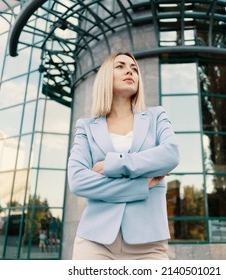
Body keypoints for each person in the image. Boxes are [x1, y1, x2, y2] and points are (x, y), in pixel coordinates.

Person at [67, 51, 179, 260]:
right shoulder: (86, 127)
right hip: (94, 243)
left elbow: (170, 155)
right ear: (105, 77)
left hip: (148, 245)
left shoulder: (156, 116)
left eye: (134, 68)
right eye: (120, 66)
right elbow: (78, 181)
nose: (130, 70)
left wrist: (112, 164)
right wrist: (141, 184)